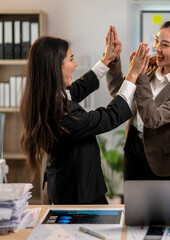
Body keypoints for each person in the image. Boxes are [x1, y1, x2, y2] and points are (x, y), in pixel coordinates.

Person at [20, 27, 149, 204]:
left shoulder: (49, 96)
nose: (75, 65)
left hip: (72, 186)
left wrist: (106, 60)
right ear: (55, 66)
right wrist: (133, 75)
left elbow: (78, 89)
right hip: (78, 194)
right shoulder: (60, 113)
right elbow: (110, 117)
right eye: (71, 59)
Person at [106, 21, 170, 180]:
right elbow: (119, 91)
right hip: (132, 146)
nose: (157, 48)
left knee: (160, 205)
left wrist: (141, 76)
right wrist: (114, 59)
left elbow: (153, 119)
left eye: (165, 44)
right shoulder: (150, 65)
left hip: (161, 159)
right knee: (133, 203)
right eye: (156, 41)